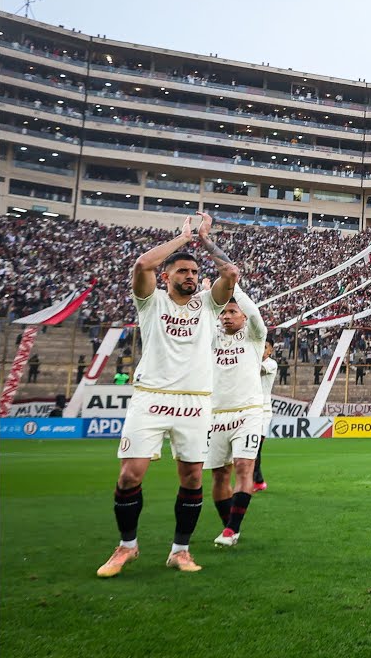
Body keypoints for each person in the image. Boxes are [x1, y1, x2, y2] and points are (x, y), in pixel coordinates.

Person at [97, 213, 238, 578]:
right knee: (130, 474)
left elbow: (231, 274)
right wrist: (183, 238)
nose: (190, 276)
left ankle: (180, 550)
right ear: (167, 277)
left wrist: (205, 242)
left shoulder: (209, 303)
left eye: (193, 272)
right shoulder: (151, 301)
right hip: (150, 395)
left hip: (194, 400)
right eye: (182, 272)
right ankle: (127, 545)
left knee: (192, 476)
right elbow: (143, 263)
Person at [207, 288, 268, 548]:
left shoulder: (254, 337)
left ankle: (232, 529)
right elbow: (202, 317)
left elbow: (255, 314)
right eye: (223, 312)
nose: (226, 316)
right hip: (216, 413)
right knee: (220, 475)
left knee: (244, 466)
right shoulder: (210, 337)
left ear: (243, 315)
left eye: (233, 311)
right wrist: (210, 294)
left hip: (249, 411)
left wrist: (234, 287)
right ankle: (229, 524)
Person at [254, 338, 277, 492]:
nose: (262, 349)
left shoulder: (271, 364)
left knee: (255, 447)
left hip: (263, 411)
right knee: (251, 448)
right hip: (248, 408)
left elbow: (258, 370)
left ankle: (256, 482)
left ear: (270, 351)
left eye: (265, 347)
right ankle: (258, 481)